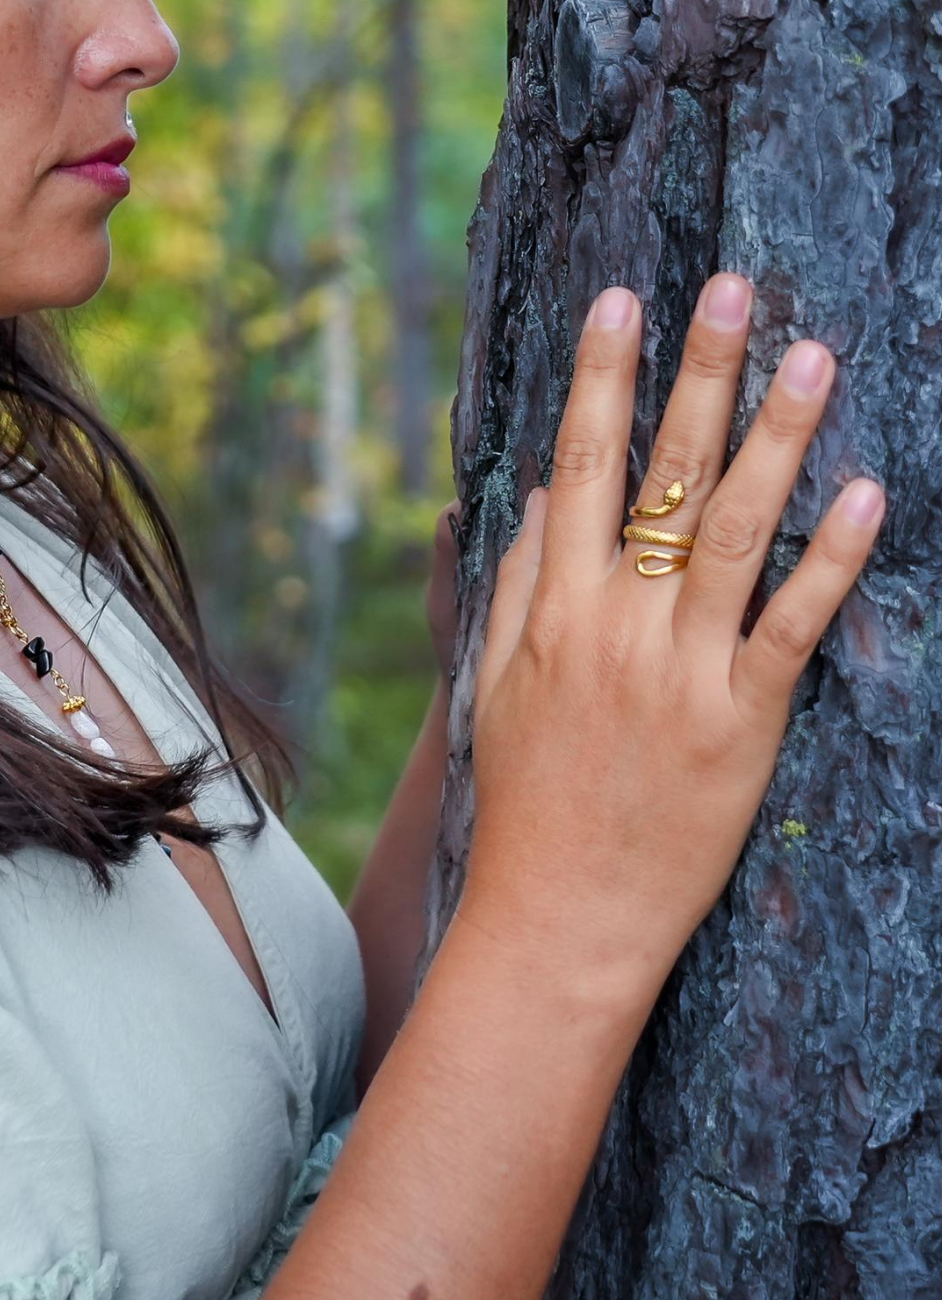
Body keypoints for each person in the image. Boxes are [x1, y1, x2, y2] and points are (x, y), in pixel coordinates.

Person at [0, 1, 887, 1297]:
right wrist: (561, 925)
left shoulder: (29, 522)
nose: (140, 39)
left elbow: (287, 1114)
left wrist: (497, 721)